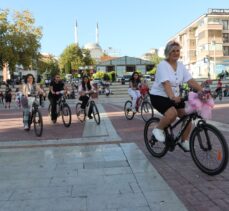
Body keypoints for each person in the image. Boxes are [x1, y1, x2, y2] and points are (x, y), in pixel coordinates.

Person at [149, 41, 203, 151]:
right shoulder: (162, 65)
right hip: (159, 96)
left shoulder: (181, 66)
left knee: (187, 117)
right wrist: (172, 97)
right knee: (172, 114)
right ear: (167, 52)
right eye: (173, 51)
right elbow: (166, 83)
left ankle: (184, 141)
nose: (176, 53)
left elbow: (190, 80)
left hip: (175, 96)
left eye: (177, 50)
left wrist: (203, 91)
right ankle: (158, 129)